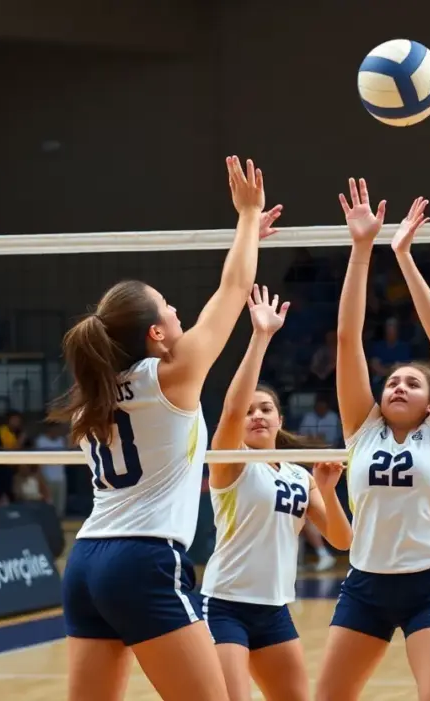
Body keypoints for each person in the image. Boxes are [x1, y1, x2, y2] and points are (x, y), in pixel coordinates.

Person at [52, 156, 279, 701]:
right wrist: (247, 216)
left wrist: (247, 232)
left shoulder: (91, 396)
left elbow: (230, 284)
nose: (179, 313)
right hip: (143, 560)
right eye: (170, 308)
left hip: (85, 562)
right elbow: (234, 289)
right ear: (156, 333)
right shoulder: (170, 378)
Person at [315, 183, 430, 701]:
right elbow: (347, 339)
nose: (398, 386)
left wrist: (403, 256)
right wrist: (362, 248)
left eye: (412, 383)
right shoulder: (362, 430)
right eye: (392, 382)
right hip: (366, 583)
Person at [200, 284, 352, 701]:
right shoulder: (230, 462)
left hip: (274, 609)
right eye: (250, 411)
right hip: (225, 604)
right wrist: (261, 336)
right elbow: (231, 410)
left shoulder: (300, 476)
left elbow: (343, 542)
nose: (256, 415)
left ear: (279, 419)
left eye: (265, 409)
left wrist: (328, 491)